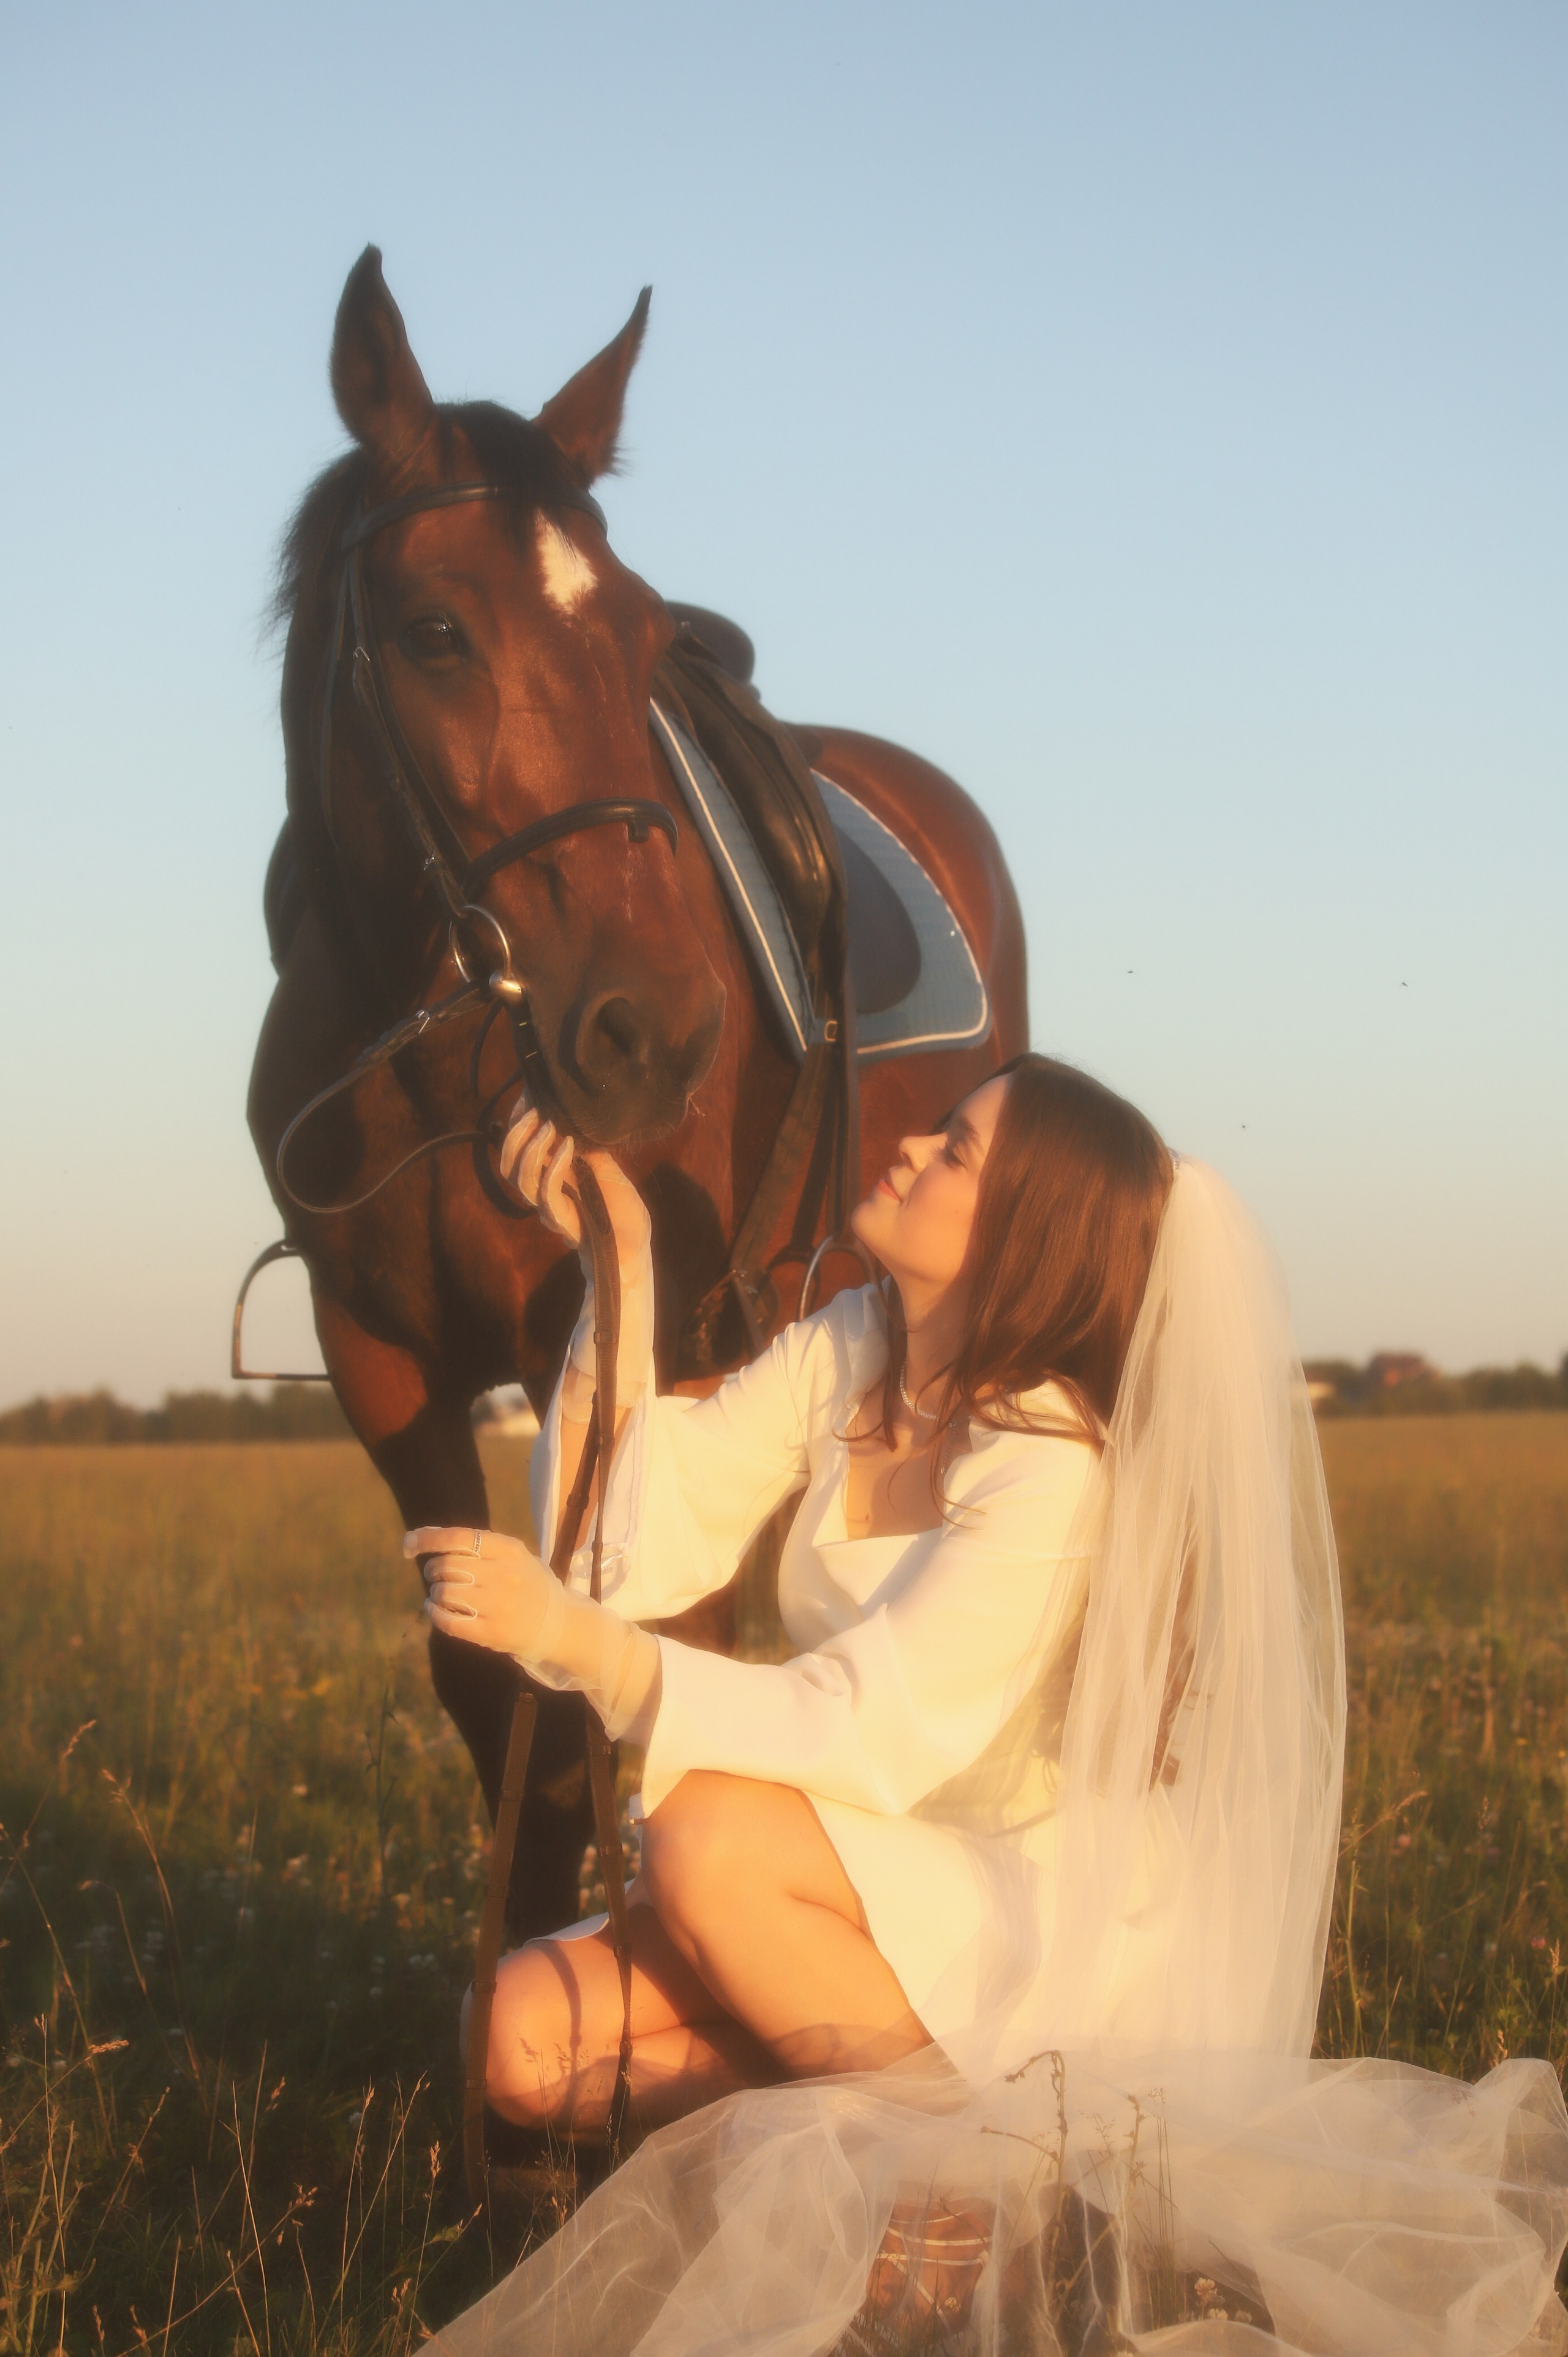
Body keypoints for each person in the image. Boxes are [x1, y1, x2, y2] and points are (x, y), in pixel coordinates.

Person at [414, 1056, 1568, 2356]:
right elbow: (620, 1556)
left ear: (1024, 1234)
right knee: (515, 2039)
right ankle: (959, 2142)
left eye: (954, 1150)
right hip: (831, 1884)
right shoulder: (852, 1350)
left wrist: (586, 1652)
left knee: (703, 1833)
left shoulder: (1050, 1463)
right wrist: (620, 1270)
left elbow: (867, 1732)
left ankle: (981, 2177)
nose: (909, 1147)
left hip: (1021, 1910)